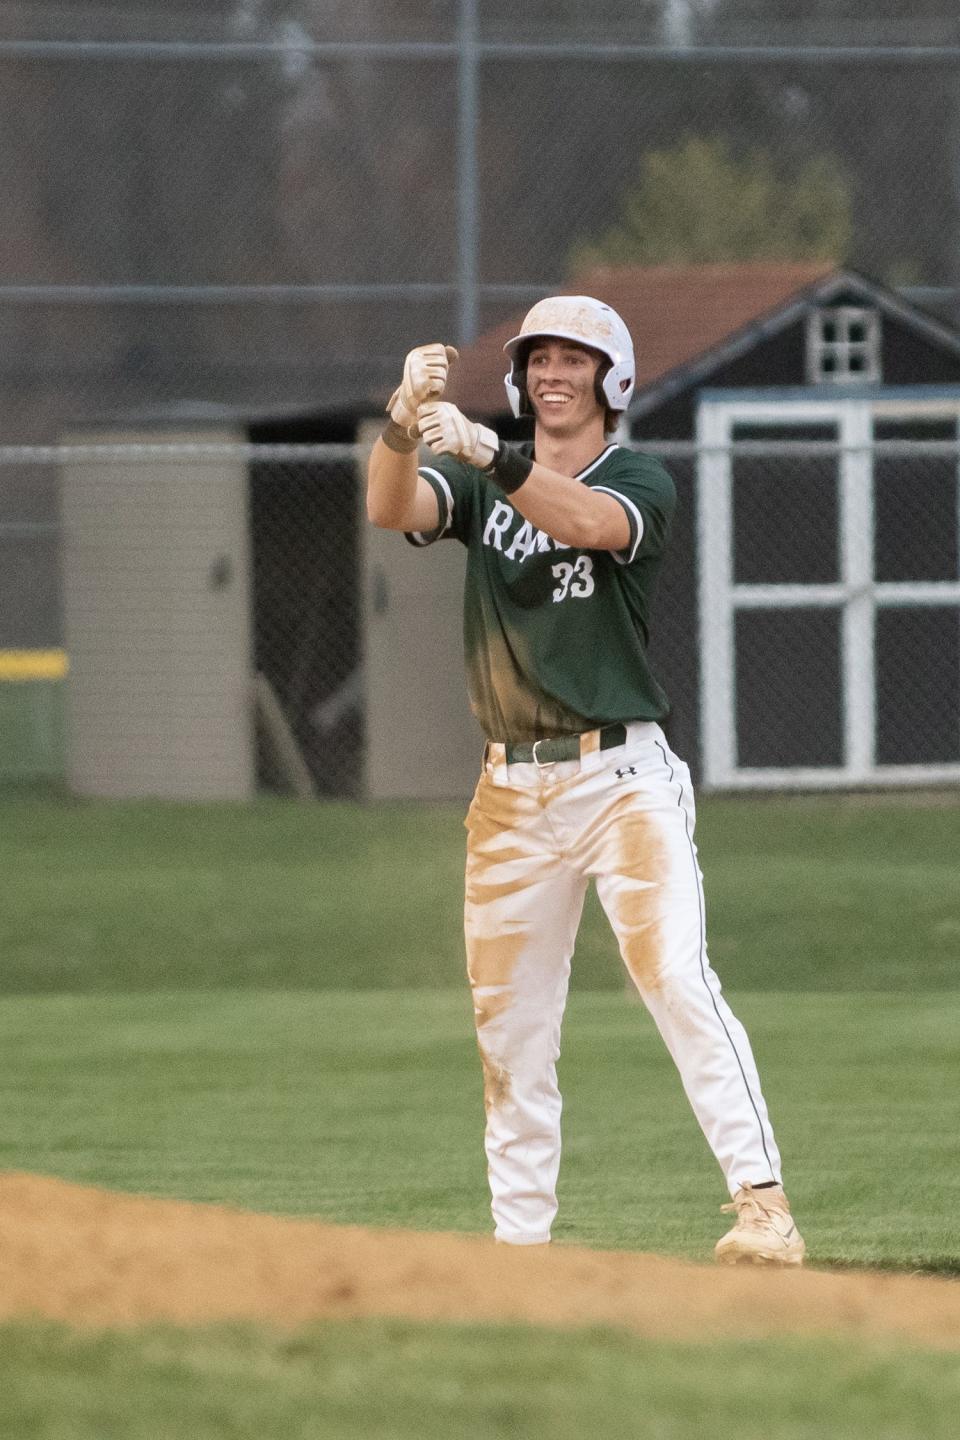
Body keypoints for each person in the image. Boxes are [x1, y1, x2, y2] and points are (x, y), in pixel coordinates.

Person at [365, 295, 804, 1266]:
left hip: (621, 779)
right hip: (508, 796)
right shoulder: (484, 482)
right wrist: (400, 423)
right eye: (538, 359)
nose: (551, 374)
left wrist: (489, 451)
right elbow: (391, 506)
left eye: (574, 359)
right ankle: (521, 1256)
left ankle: (764, 1208)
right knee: (510, 1032)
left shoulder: (637, 474)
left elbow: (595, 524)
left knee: (677, 982)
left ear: (613, 380)